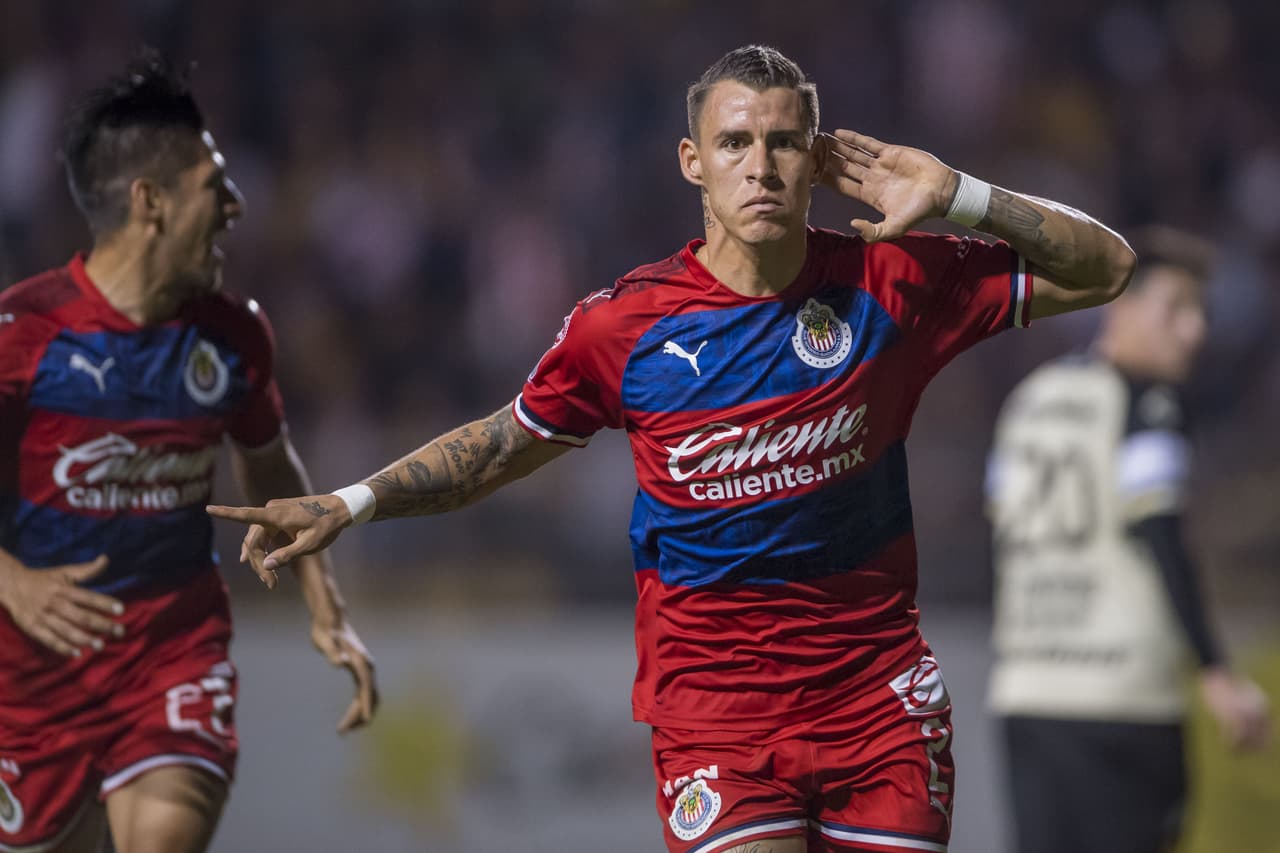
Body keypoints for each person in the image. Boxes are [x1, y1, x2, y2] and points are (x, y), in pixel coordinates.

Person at [210, 45, 1134, 853]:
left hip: (876, 704)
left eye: (781, 143)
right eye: (735, 142)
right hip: (716, 721)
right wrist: (349, 503)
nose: (760, 166)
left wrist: (964, 195)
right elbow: (497, 447)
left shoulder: (892, 281)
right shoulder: (625, 327)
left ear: (817, 159)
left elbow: (1108, 268)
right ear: (693, 161)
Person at [0, 52, 377, 853]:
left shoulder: (235, 336)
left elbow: (273, 470)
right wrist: (14, 580)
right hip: (34, 678)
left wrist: (325, 605)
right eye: (216, 185)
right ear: (151, 202)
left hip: (174, 656)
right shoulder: (23, 334)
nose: (237, 205)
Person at [985, 227, 1270, 853]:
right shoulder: (1150, 405)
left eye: (1200, 313)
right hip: (1125, 700)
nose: (1193, 330)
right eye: (1177, 308)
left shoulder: (1027, 401)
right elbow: (1159, 529)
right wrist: (1215, 669)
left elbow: (1000, 527)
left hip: (1028, 692)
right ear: (1119, 304)